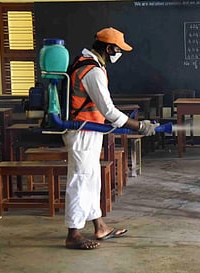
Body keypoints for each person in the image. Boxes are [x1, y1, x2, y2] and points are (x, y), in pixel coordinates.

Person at [62, 27, 157, 250]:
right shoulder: (92, 71)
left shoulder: (85, 62)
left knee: (92, 179)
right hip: (82, 133)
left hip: (89, 131)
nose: (119, 54)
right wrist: (140, 126)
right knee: (80, 180)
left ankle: (100, 226)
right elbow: (110, 112)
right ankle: (73, 233)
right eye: (118, 49)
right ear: (109, 48)